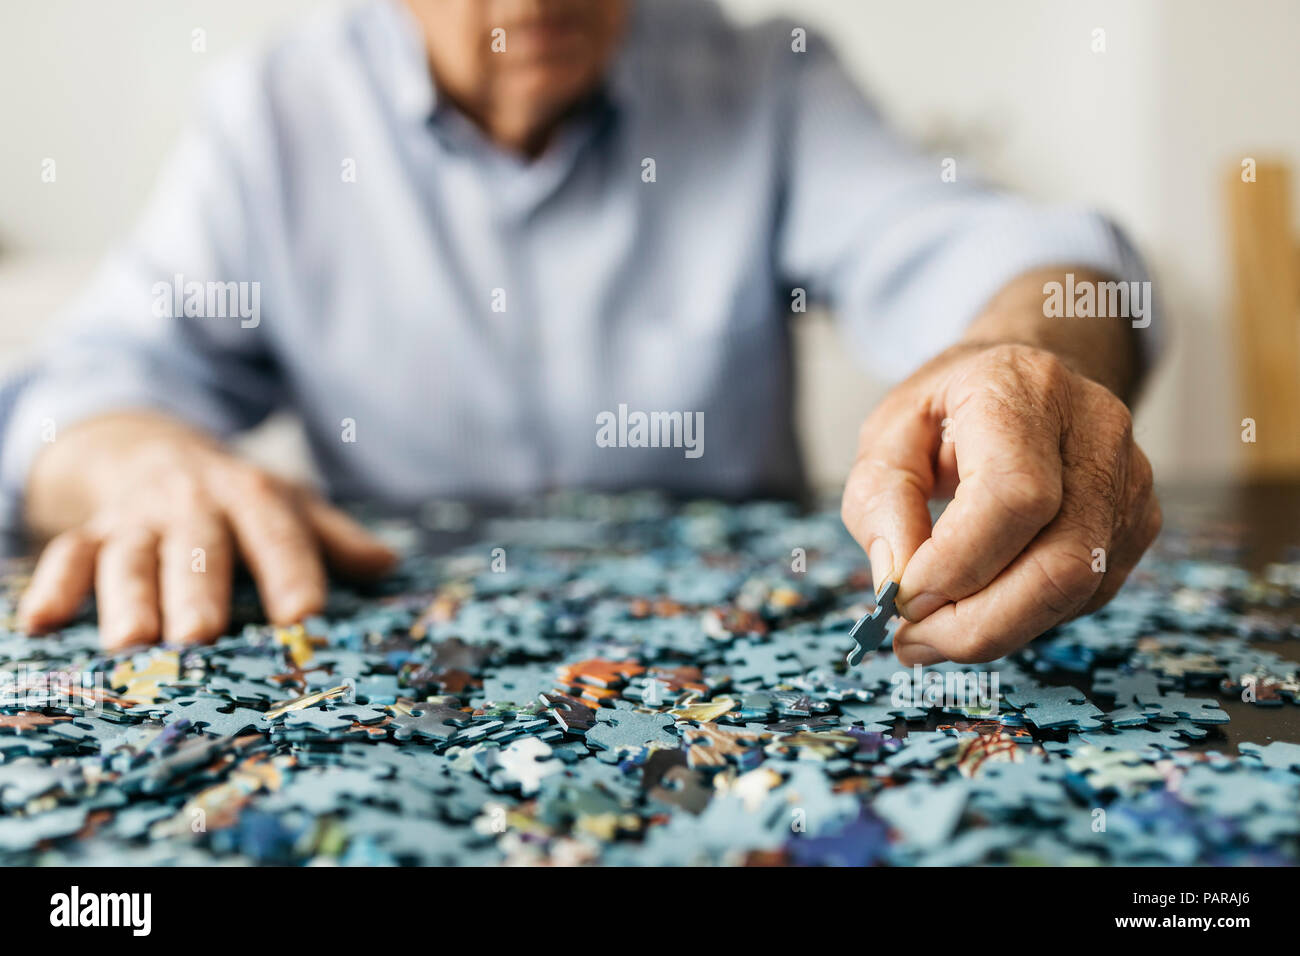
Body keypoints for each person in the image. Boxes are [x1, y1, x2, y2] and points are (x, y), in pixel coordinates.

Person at [0, 0, 1160, 666]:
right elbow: (77, 388)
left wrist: (1027, 359)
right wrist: (140, 464)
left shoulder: (765, 80)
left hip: (744, 692)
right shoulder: (273, 119)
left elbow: (1027, 263)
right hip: (397, 673)